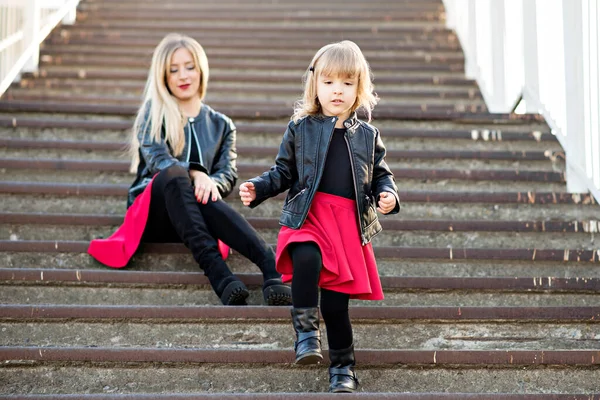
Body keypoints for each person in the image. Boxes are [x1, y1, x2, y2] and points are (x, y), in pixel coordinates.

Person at [239, 40, 400, 393]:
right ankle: (306, 334)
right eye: (328, 82)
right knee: (306, 256)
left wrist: (387, 194)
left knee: (336, 305)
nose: (337, 90)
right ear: (315, 85)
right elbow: (282, 172)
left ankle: (343, 367)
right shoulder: (301, 127)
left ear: (360, 87)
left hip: (345, 226)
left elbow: (380, 175)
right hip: (308, 217)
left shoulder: (368, 136)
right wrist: (259, 188)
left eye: (346, 82)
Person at [89, 33, 292, 307]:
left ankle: (269, 268)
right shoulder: (153, 113)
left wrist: (208, 182)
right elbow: (158, 161)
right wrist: (197, 173)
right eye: (173, 70)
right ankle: (223, 269)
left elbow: (227, 175)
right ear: (163, 77)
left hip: (199, 213)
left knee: (200, 194)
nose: (183, 75)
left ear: (201, 70)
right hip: (155, 214)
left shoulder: (222, 125)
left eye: (189, 66)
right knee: (173, 175)